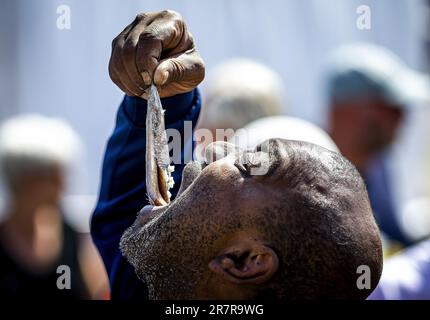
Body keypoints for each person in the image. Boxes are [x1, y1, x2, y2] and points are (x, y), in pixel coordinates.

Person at [92, 10, 383, 300]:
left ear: (247, 261)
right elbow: (131, 205)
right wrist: (167, 96)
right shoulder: (164, 279)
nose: (216, 148)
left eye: (249, 164)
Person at [325, 43, 430, 246]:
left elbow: (397, 236)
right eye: (394, 108)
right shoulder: (308, 169)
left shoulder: (377, 166)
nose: (403, 118)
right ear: (358, 111)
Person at [0, 114, 107, 299]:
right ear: (27, 181)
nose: (62, 186)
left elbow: (97, 293)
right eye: (54, 177)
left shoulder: (73, 238)